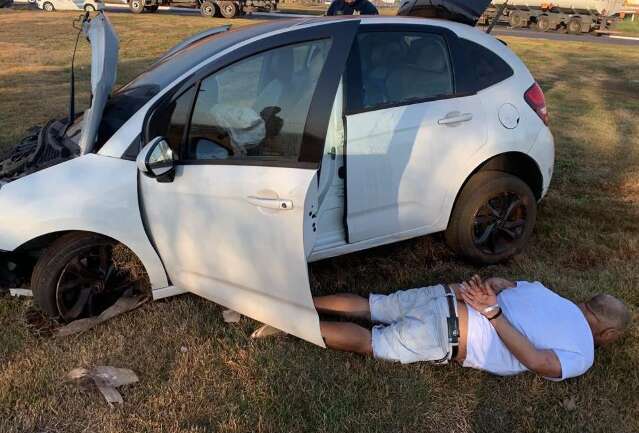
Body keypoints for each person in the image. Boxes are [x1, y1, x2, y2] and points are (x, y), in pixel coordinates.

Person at [314, 275, 631, 380]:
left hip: (448, 293)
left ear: (587, 303)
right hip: (449, 331)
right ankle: (295, 324)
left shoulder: (545, 291)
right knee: (373, 341)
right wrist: (494, 315)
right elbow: (539, 363)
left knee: (372, 305)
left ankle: (300, 303)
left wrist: (495, 291)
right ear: (609, 334)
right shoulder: (584, 352)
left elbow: (501, 282)